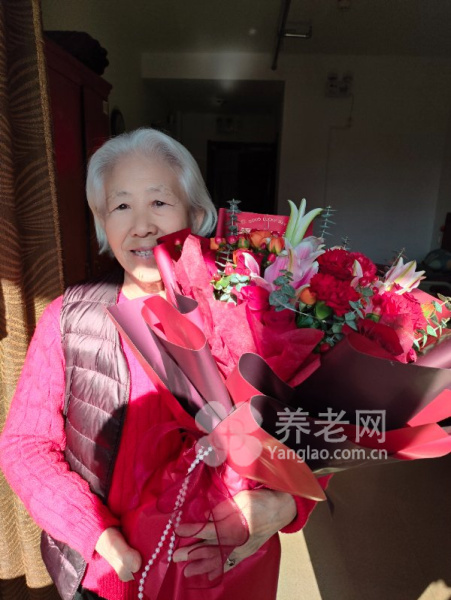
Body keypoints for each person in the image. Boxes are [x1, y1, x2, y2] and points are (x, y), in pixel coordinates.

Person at [0, 128, 326, 600]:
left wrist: (287, 505)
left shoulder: (250, 311)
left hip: (227, 571)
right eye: (121, 206)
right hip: (113, 572)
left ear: (196, 215)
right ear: (103, 222)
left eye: (159, 202)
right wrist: (96, 534)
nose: (141, 225)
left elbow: (311, 431)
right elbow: (25, 445)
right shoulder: (67, 319)